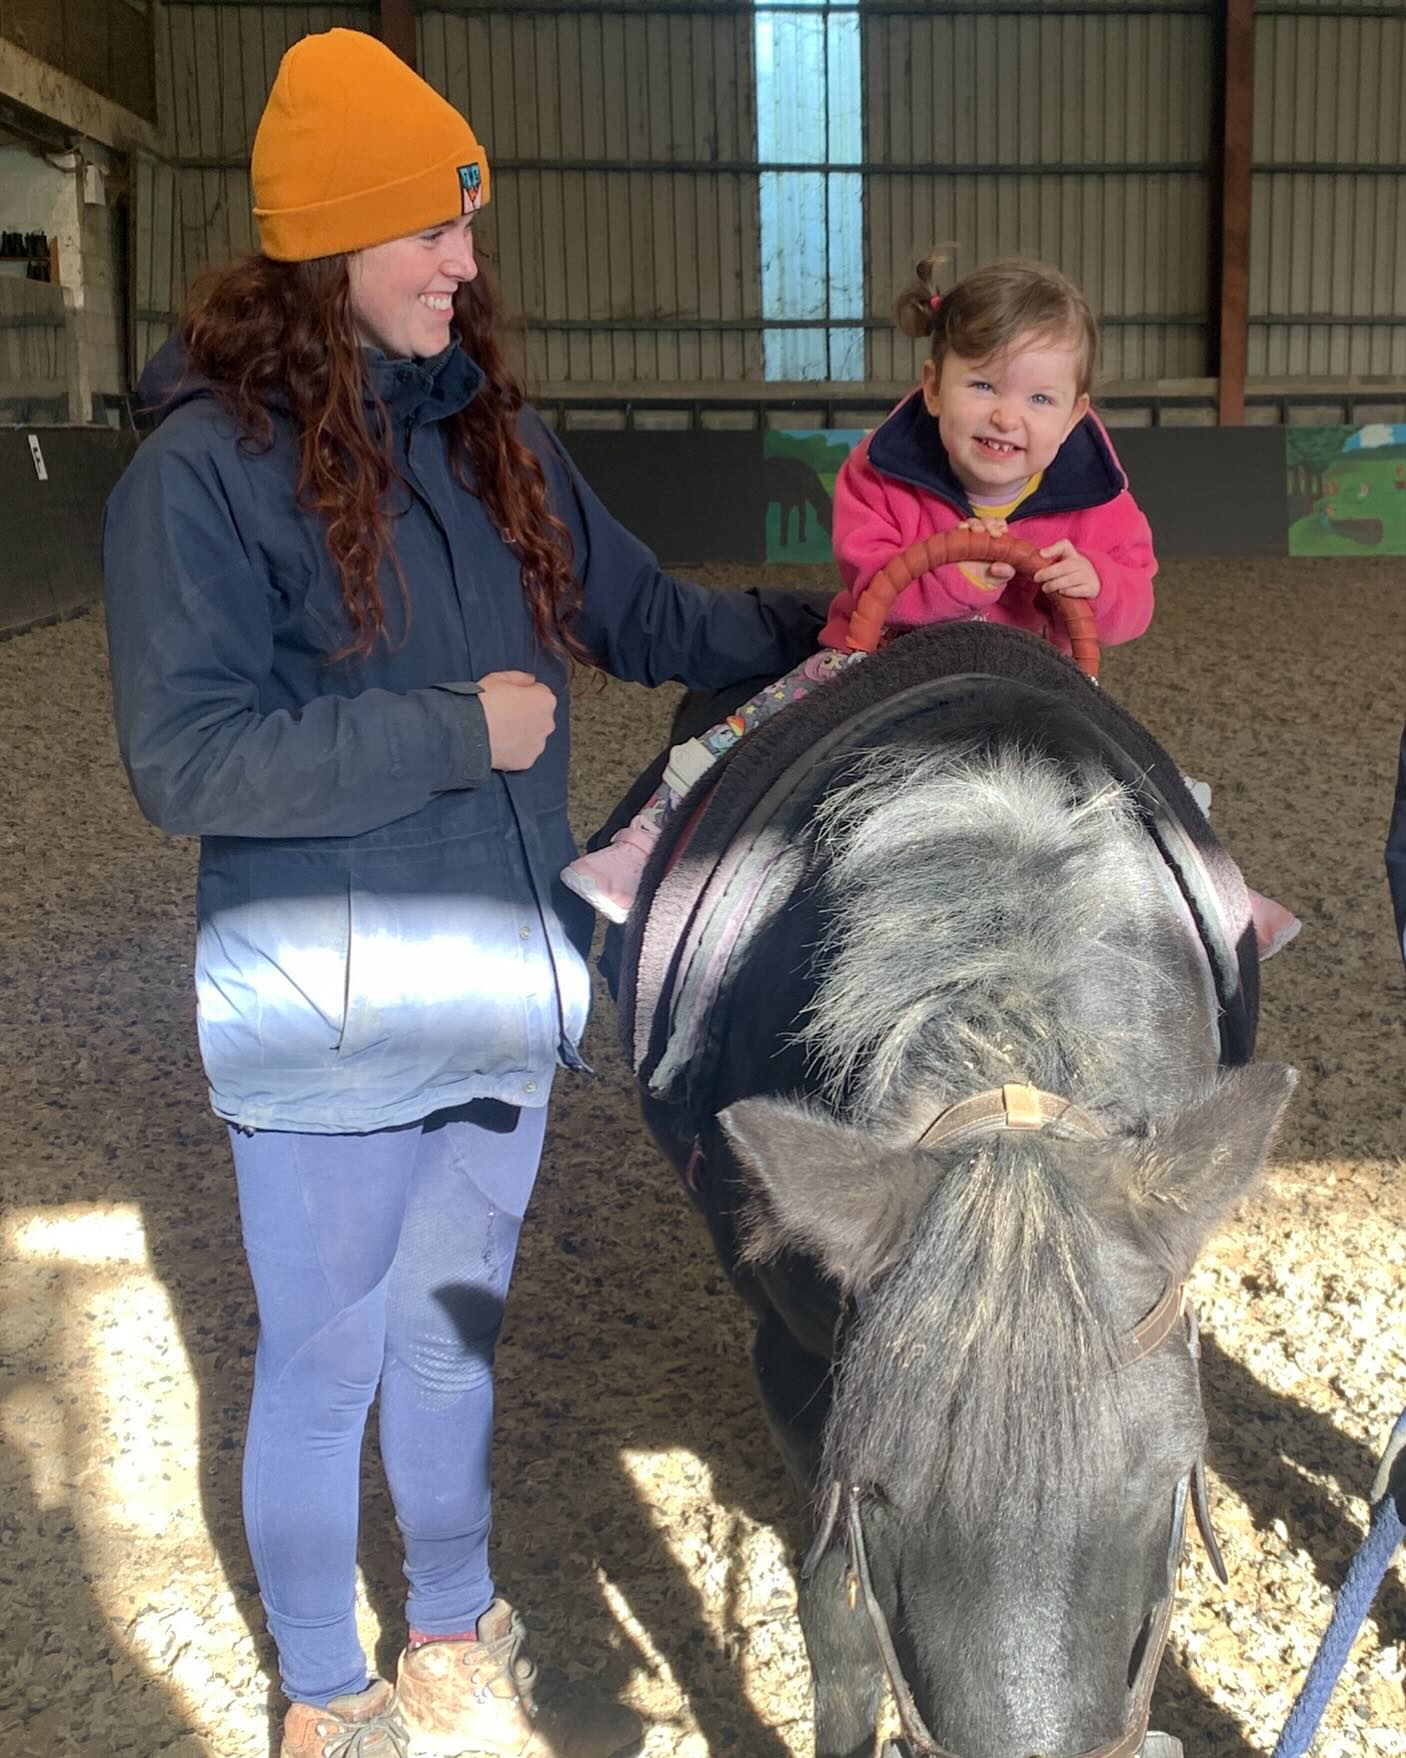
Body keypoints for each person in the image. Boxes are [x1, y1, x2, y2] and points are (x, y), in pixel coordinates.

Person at [102, 28, 823, 1758]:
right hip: (327, 1013)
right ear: (331, 247)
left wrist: (837, 623)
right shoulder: (194, 475)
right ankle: (323, 1691)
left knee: (449, 1345)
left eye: (466, 229)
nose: (466, 264)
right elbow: (185, 761)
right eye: (432, 231)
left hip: (495, 980)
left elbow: (650, 622)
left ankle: (443, 1629)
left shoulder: (494, 437)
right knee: (323, 1364)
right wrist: (454, 730)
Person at [564, 255, 1302, 961]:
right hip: (875, 663)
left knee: (1141, 772)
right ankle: (645, 847)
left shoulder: (1098, 500)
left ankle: (1215, 891)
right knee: (749, 730)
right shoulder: (878, 472)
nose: (1007, 416)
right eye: (983, 385)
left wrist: (1095, 587)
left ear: (1077, 415)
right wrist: (963, 577)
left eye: (1039, 399)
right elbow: (871, 571)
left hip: (1034, 680)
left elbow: (1133, 601)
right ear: (932, 385)